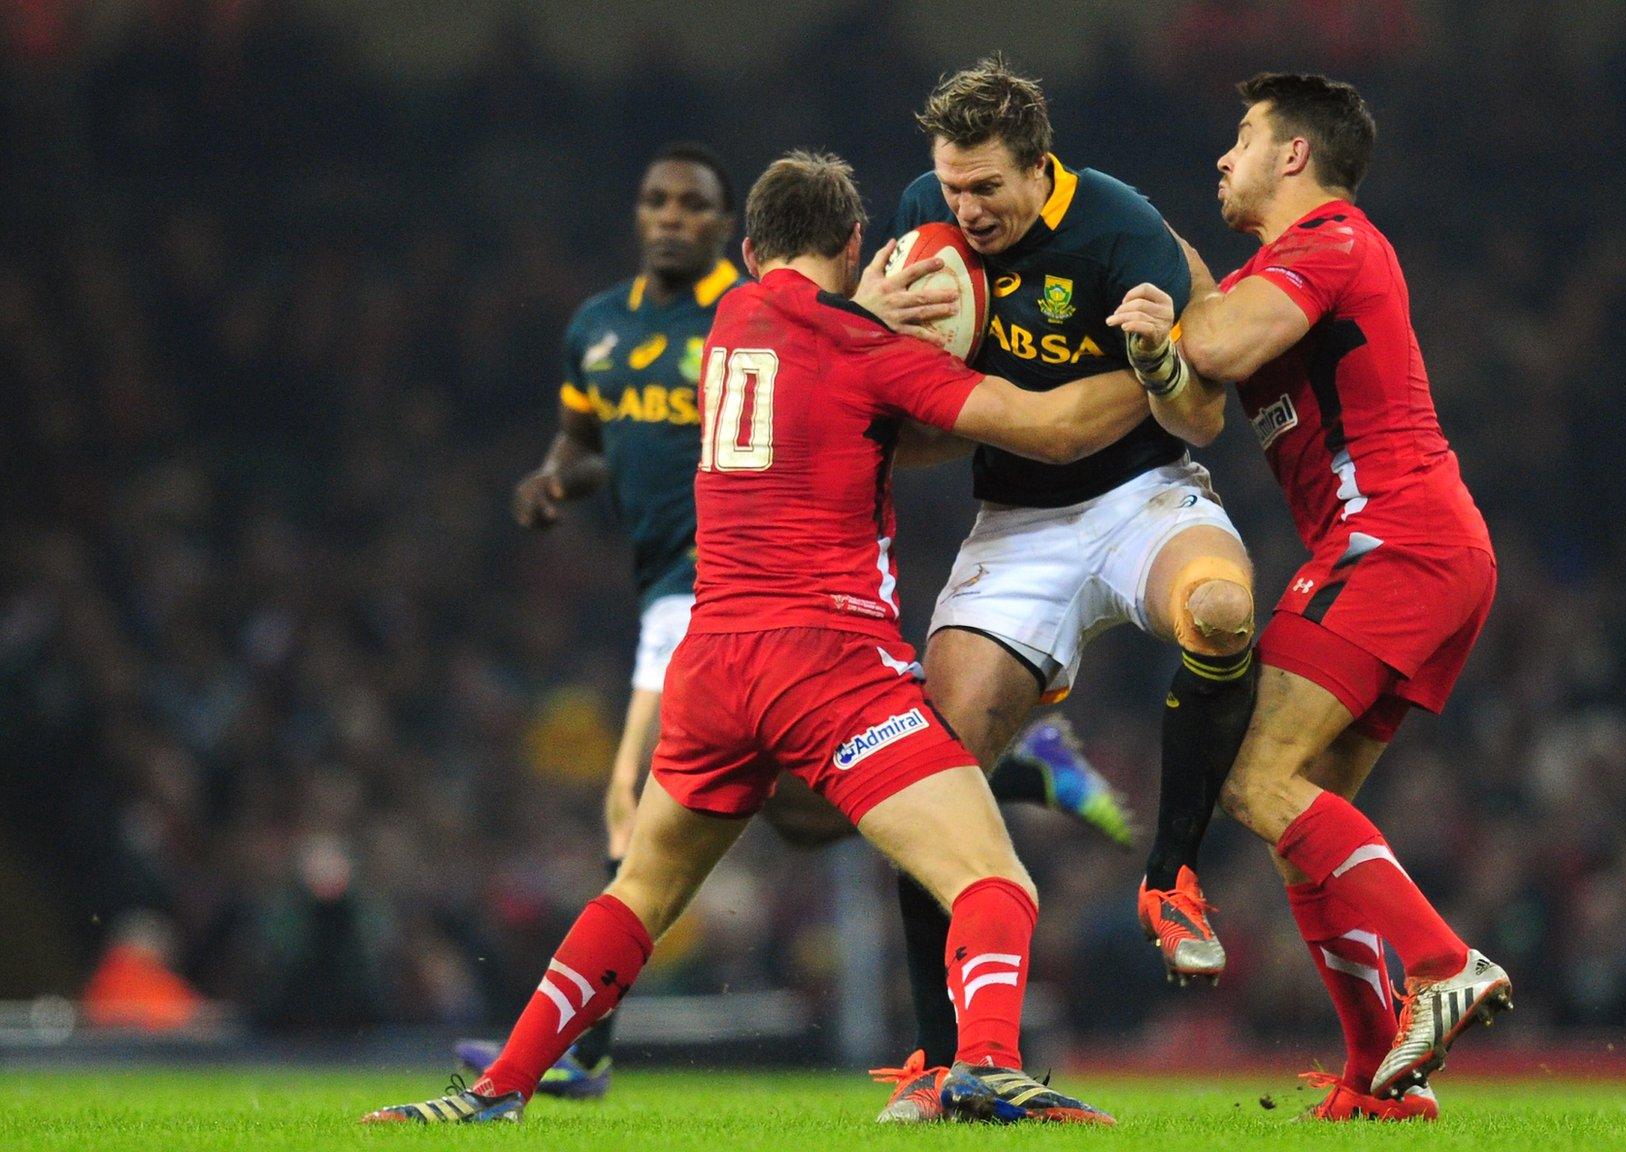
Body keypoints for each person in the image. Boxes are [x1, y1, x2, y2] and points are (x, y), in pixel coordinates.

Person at [363, 150, 1150, 1126]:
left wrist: (885, 330)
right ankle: (985, 1065)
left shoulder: (730, 317)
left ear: (744, 249)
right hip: (824, 662)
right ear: (854, 243)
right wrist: (1162, 367)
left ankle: (496, 1090)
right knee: (993, 880)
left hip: (713, 661)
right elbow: (1055, 429)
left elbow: (864, 420)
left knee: (640, 893)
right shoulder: (860, 346)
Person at [1107, 72, 1513, 1122]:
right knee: (1302, 806)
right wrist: (1160, 348)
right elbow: (1194, 399)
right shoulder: (1280, 269)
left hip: (1386, 543)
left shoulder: (1330, 241)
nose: (1220, 158)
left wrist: (1168, 316)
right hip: (1423, 546)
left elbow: (1218, 348)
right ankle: (1374, 1076)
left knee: (1252, 778)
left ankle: (1438, 964)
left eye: (1240, 137)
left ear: (1293, 154)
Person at [866, 57, 1261, 1122]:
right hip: (1018, 523)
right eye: (952, 187)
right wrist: (871, 324)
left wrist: (1158, 360)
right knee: (929, 782)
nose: (965, 210)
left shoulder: (1121, 230)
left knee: (1223, 614)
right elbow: (896, 420)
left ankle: (1167, 877)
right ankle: (934, 1059)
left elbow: (1203, 422)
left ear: (1040, 168)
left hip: (1142, 496)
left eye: (986, 187)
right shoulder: (922, 227)